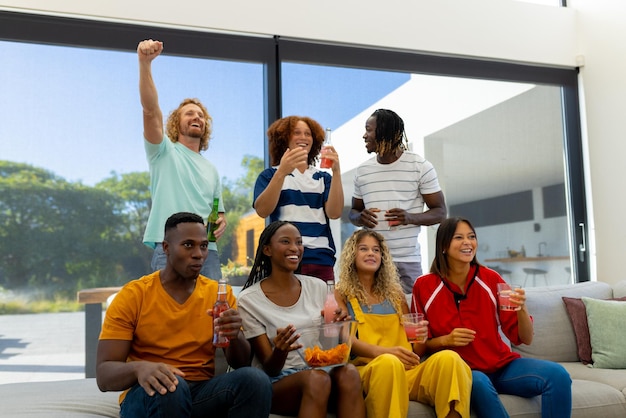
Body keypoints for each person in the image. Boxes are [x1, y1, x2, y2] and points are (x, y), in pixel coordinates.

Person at [96, 212, 272, 418]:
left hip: (199, 392)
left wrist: (234, 336)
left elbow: (240, 363)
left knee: (255, 380)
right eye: (188, 245)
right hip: (148, 395)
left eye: (203, 246)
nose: (198, 254)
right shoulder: (134, 295)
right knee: (170, 384)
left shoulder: (218, 295)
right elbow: (104, 375)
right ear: (166, 248)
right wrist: (139, 369)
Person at [412, 216, 572, 418]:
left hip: (502, 367)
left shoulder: (491, 279)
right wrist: (446, 340)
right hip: (465, 372)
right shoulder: (424, 286)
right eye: (459, 237)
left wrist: (521, 308)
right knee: (478, 383)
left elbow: (525, 338)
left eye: (471, 236)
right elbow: (420, 346)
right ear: (444, 245)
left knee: (557, 375)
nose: (467, 242)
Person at [335, 228, 471, 418]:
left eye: (376, 250)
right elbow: (342, 339)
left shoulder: (396, 295)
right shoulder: (339, 294)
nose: (371, 253)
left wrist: (421, 336)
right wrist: (386, 353)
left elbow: (416, 352)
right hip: (371, 370)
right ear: (351, 255)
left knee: (450, 359)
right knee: (389, 363)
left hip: (407, 372)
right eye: (363, 249)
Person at [237, 220, 365, 418]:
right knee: (317, 379)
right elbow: (270, 368)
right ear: (267, 250)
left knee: (349, 373)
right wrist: (280, 350)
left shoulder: (319, 287)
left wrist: (337, 328)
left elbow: (326, 348)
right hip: (279, 381)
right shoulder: (249, 300)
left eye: (298, 242)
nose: (294, 248)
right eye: (285, 242)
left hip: (319, 371)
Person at [138, 39, 226, 280]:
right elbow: (150, 110)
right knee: (167, 316)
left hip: (207, 253)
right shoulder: (163, 151)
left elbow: (218, 212)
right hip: (169, 249)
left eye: (201, 115)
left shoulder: (212, 170)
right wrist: (145, 64)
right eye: (189, 113)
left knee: (210, 317)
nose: (196, 116)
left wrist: (220, 220)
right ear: (177, 122)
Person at [349, 108, 446, 293]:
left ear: (386, 132)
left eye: (369, 130)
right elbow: (353, 212)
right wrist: (360, 217)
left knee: (409, 317)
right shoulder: (362, 171)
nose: (364, 135)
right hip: (371, 261)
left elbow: (440, 212)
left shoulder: (420, 166)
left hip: (407, 261)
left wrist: (410, 218)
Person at [253, 116, 343, 282]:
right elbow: (263, 210)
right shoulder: (270, 175)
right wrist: (282, 172)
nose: (303, 137)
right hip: (284, 258)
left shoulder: (323, 177)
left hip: (320, 258)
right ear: (284, 138)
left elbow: (335, 212)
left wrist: (336, 172)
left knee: (323, 308)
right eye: (297, 133)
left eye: (308, 134)